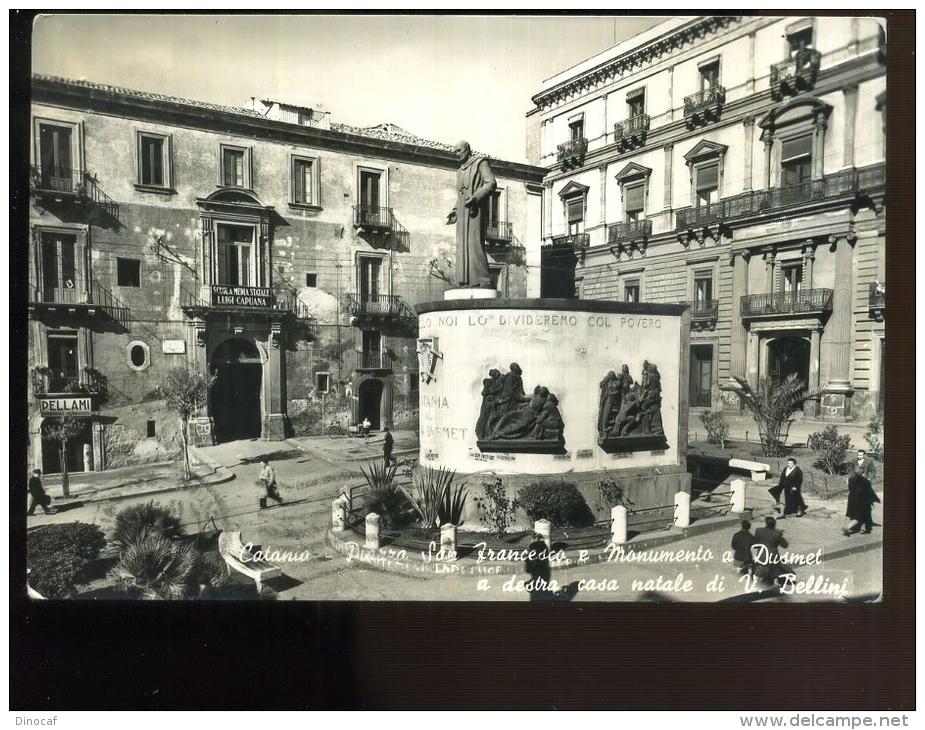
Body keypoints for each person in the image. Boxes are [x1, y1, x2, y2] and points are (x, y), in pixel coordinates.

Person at [445, 140, 497, 288]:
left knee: (475, 243)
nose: (457, 154)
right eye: (455, 151)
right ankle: (465, 281)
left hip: (475, 210)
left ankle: (483, 280)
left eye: (459, 150)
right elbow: (461, 194)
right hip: (462, 212)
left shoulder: (481, 163)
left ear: (468, 150)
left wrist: (476, 197)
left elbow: (491, 183)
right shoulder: (459, 170)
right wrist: (455, 210)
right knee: (462, 246)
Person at [844, 449, 880, 536]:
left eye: (861, 455)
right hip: (856, 481)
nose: (859, 456)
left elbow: (873, 471)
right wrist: (849, 479)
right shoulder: (854, 461)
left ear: (864, 455)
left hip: (864, 483)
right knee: (863, 507)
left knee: (865, 506)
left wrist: (869, 478)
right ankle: (860, 525)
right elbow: (851, 471)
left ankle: (862, 528)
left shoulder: (869, 461)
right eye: (858, 455)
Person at [754, 516, 793, 585]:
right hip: (773, 556)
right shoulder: (777, 533)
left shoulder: (758, 530)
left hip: (761, 555)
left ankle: (759, 577)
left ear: (766, 523)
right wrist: (779, 535)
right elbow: (785, 545)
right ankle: (776, 580)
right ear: (774, 524)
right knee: (778, 565)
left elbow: (755, 543)